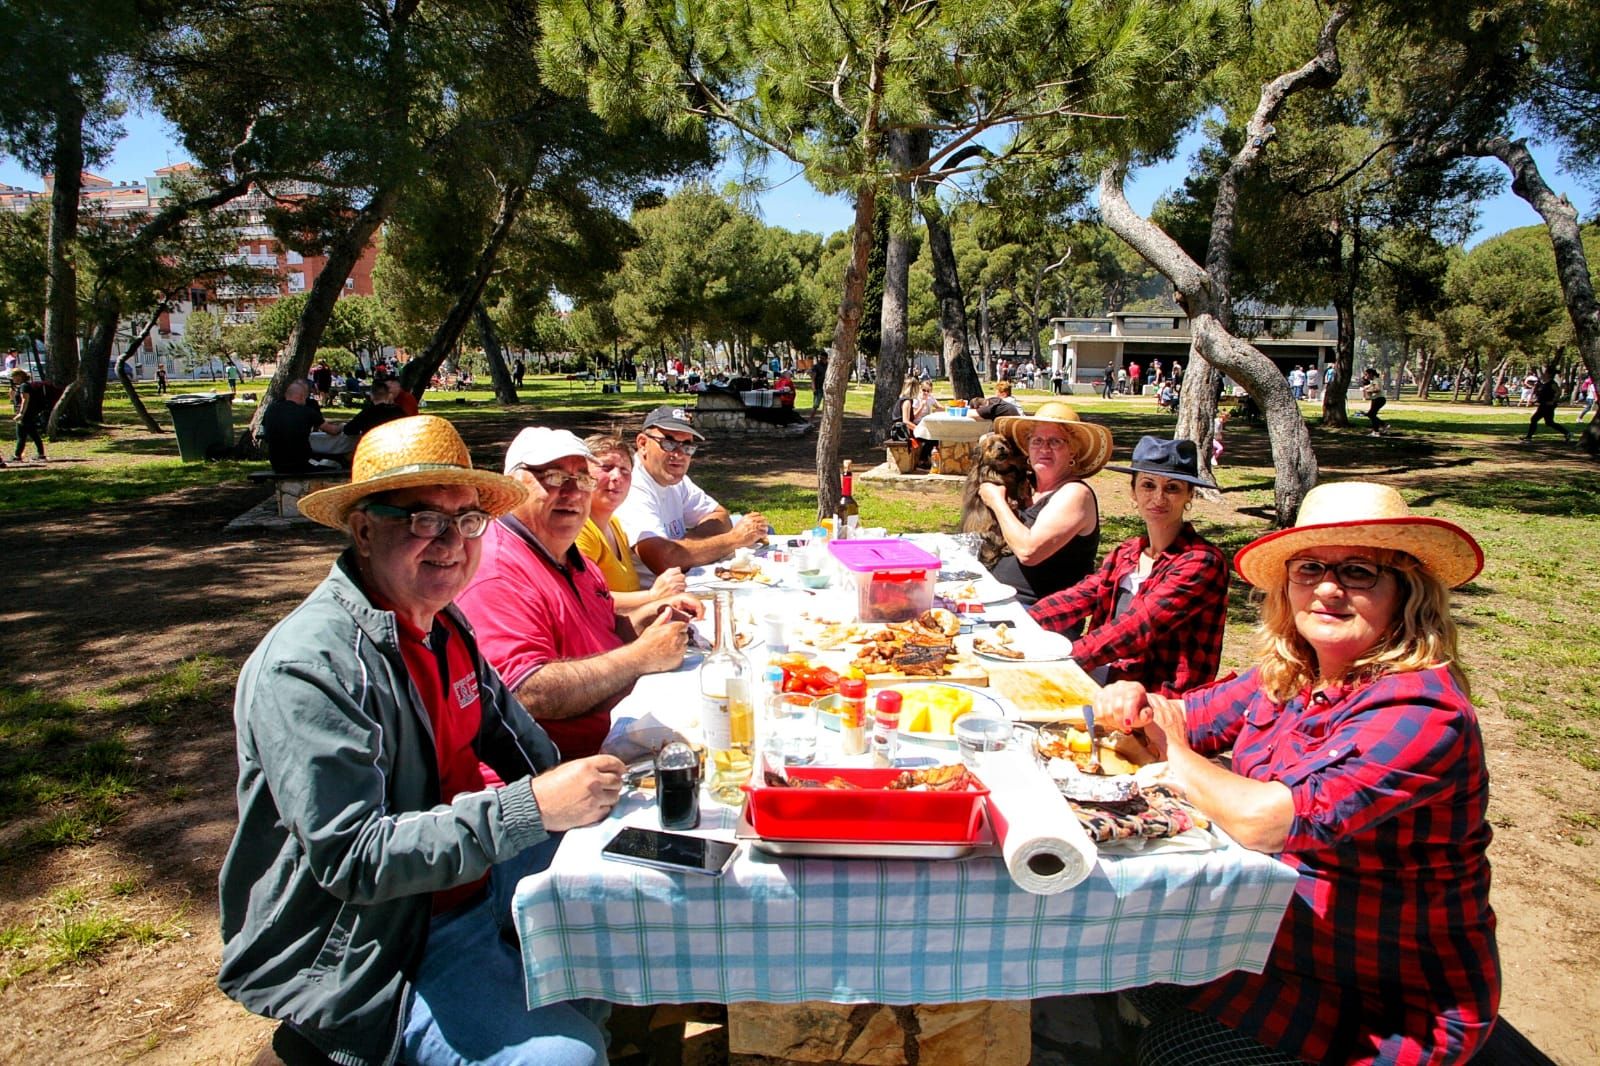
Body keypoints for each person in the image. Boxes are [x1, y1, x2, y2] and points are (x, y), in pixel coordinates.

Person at [218, 415, 616, 1066]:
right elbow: (356, 860)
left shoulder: (442, 624)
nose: (451, 541)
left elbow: (518, 746)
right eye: (422, 518)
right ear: (364, 528)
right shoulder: (308, 669)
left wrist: (582, 801)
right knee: (567, 1057)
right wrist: (535, 809)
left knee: (616, 923)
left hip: (473, 881)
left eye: (466, 519)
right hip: (383, 935)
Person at [1099, 480, 1497, 1066]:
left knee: (1173, 1051)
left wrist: (1174, 757)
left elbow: (1265, 822)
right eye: (1309, 568)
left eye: (1358, 571)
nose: (1329, 588)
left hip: (1381, 998)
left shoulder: (1422, 711)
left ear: (1406, 591)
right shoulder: (1293, 673)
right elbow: (1181, 714)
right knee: (1122, 951)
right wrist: (1137, 700)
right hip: (1275, 936)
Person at [456, 428, 701, 761]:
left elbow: (598, 629)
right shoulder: (497, 571)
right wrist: (641, 656)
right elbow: (527, 691)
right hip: (563, 772)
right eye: (554, 477)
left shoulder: (570, 556)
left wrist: (653, 614)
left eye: (583, 479)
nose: (572, 493)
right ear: (512, 487)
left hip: (621, 730)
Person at [1030, 436, 1227, 692]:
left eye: (1172, 488)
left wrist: (1064, 660)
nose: (1158, 498)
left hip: (1158, 697)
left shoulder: (1202, 562)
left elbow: (1138, 626)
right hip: (1109, 676)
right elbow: (1079, 597)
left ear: (1189, 495)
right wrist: (1017, 622)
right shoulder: (1128, 553)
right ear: (1133, 492)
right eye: (1148, 485)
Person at [614, 406, 768, 585]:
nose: (679, 454)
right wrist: (734, 539)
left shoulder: (674, 479)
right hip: (655, 599)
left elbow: (720, 516)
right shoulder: (631, 486)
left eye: (687, 446)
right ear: (642, 444)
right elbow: (665, 561)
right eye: (669, 443)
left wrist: (683, 547)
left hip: (688, 583)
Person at [979, 402, 1109, 607]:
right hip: (996, 597)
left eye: (1056, 441)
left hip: (1039, 613)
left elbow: (1028, 551)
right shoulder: (1025, 486)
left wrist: (997, 501)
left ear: (1073, 451)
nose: (1044, 448)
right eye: (1036, 440)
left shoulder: (1075, 494)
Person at [576, 434, 691, 609]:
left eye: (625, 470)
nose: (617, 477)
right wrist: (653, 595)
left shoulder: (614, 525)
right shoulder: (578, 530)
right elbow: (585, 598)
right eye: (606, 467)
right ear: (581, 474)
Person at [261, 380, 350, 472]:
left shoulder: (271, 410)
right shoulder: (307, 412)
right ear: (301, 396)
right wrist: (342, 426)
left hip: (277, 464)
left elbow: (265, 431)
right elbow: (332, 431)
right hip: (301, 464)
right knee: (338, 464)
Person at [340, 379, 408, 441]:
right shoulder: (399, 411)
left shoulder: (368, 412)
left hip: (373, 447)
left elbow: (348, 430)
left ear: (371, 396)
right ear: (388, 395)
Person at [9, 369, 52, 463]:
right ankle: (40, 454)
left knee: (21, 436)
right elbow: (13, 399)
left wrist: (21, 413)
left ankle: (17, 456)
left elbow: (25, 399)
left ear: (19, 376)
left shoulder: (24, 386)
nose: (12, 378)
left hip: (25, 415)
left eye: (13, 376)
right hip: (28, 414)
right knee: (32, 435)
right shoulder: (23, 386)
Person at [899, 376, 942, 471]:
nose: (926, 393)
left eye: (928, 391)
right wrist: (921, 406)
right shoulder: (913, 400)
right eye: (924, 390)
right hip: (915, 426)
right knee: (931, 438)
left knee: (937, 437)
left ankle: (928, 460)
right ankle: (922, 461)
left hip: (926, 425)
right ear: (919, 389)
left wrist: (937, 409)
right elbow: (911, 418)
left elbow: (940, 407)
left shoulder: (930, 398)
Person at [1522, 369, 1573, 443]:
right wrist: (1535, 401)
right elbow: (1543, 395)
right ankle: (1567, 433)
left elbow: (1558, 392)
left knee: (1534, 419)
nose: (1544, 374)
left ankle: (1529, 437)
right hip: (1543, 404)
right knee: (1549, 422)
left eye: (1545, 373)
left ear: (1549, 374)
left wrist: (1553, 401)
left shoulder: (1552, 383)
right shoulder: (1545, 383)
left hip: (1548, 405)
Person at [1359, 367, 1387, 436]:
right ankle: (1380, 428)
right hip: (1376, 399)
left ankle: (1379, 429)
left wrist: (1368, 390)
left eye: (1366, 374)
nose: (1366, 376)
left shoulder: (1376, 380)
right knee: (1372, 415)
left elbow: (1377, 389)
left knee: (1371, 414)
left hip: (1379, 399)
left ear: (1371, 374)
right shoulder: (1374, 381)